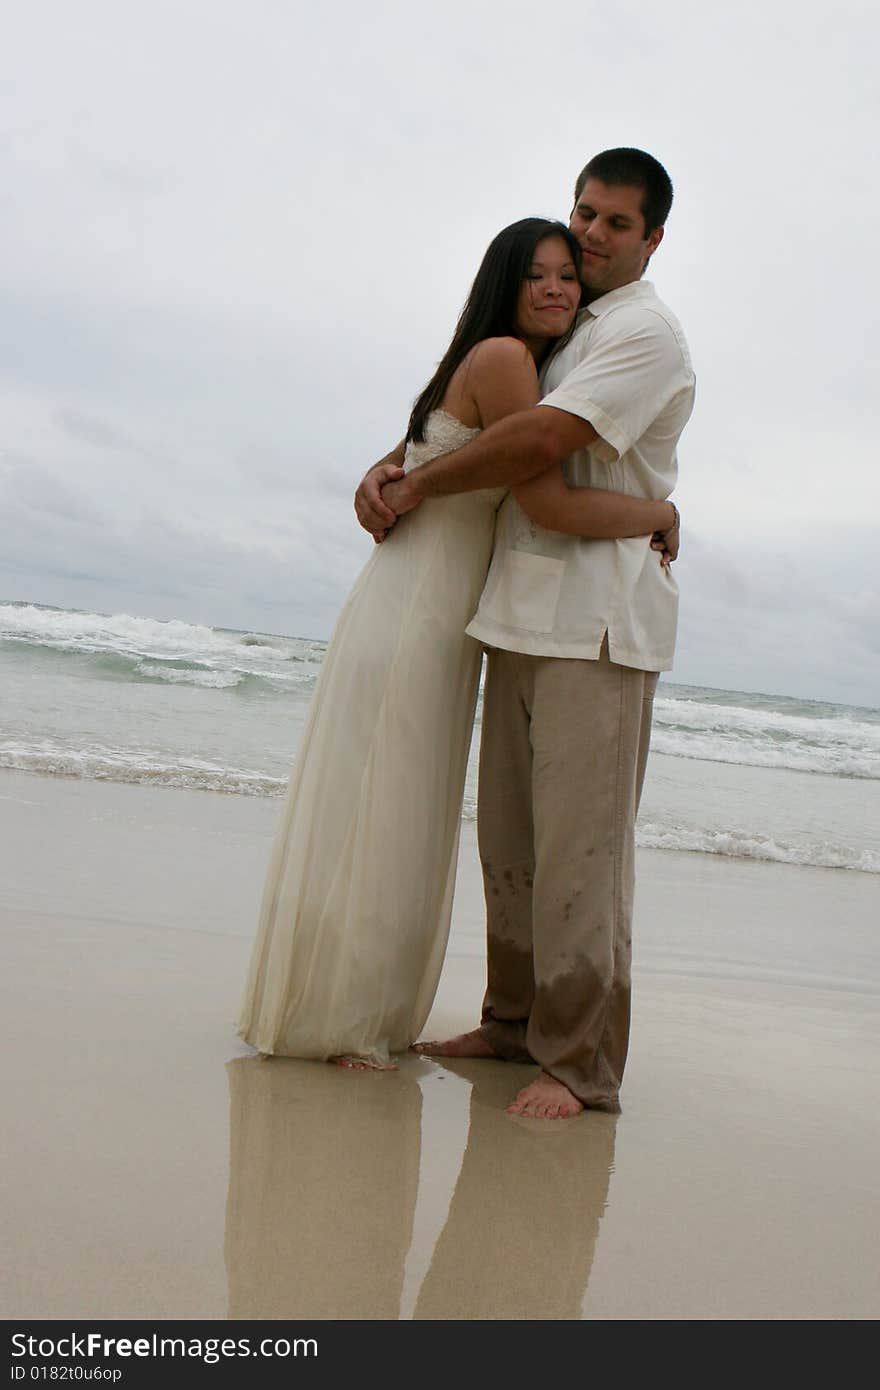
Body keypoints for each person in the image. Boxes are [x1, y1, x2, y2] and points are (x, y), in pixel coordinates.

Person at [239, 216, 680, 1070]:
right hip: (424, 617)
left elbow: (432, 451)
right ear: (505, 287)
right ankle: (347, 1022)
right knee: (391, 807)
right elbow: (544, 491)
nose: (557, 286)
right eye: (537, 275)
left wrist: (391, 477)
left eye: (567, 274)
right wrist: (659, 513)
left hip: (422, 606)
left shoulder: (528, 353)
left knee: (378, 804)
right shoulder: (514, 361)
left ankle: (333, 1007)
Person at [355, 148, 695, 1116]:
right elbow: (481, 409)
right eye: (582, 212)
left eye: (613, 223)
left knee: (581, 855)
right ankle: (512, 1024)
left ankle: (579, 1063)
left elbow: (542, 443)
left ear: (652, 238)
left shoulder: (646, 335)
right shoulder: (562, 322)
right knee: (509, 842)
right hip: (516, 612)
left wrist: (415, 486)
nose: (588, 234)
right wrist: (390, 461)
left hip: (598, 626)